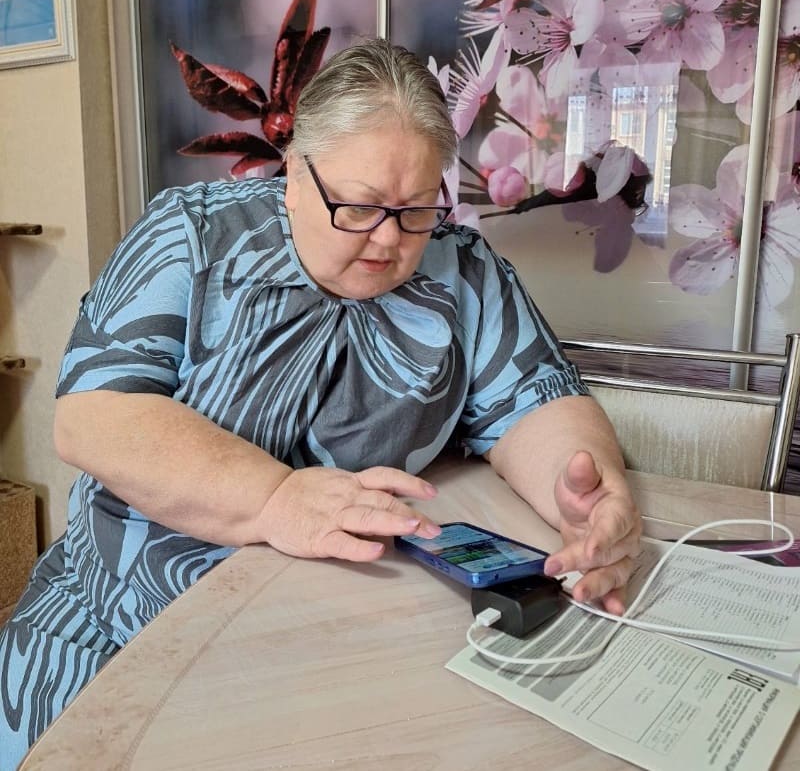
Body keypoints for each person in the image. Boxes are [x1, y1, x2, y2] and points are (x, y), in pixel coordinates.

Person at [0, 38, 640, 768]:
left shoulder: (463, 269)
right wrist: (274, 498)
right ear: (296, 174)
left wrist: (588, 498)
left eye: (416, 209)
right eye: (359, 206)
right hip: (125, 620)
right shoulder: (191, 236)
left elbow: (538, 402)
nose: (389, 239)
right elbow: (94, 417)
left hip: (333, 638)